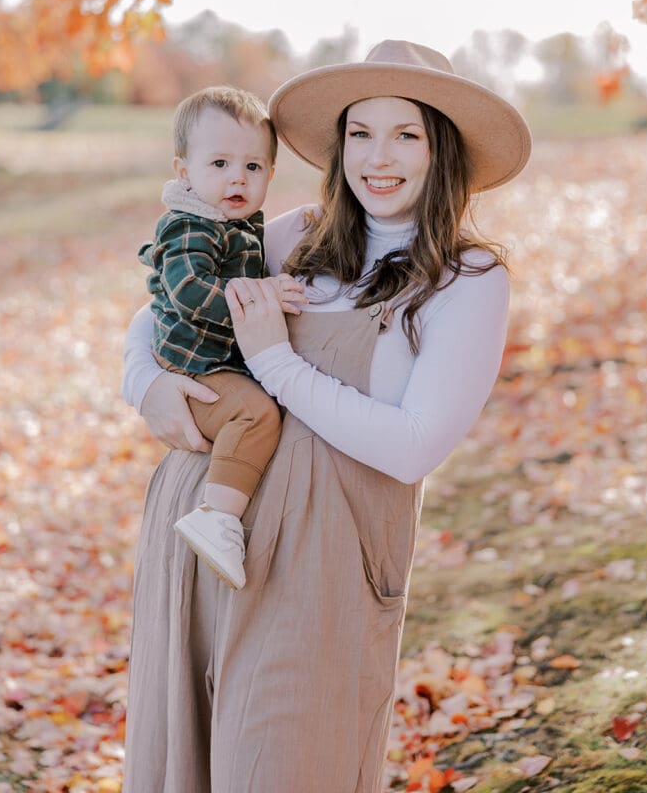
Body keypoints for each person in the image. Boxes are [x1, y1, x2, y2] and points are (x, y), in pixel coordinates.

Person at [121, 40, 532, 793]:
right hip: (204, 537)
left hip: (323, 570)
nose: (379, 157)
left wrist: (275, 362)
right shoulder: (291, 237)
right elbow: (156, 312)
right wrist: (144, 384)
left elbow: (411, 447)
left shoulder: (467, 280)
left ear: (439, 149)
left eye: (405, 133)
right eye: (360, 132)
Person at [137, 85, 306, 589]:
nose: (238, 177)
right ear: (184, 172)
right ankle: (218, 516)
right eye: (220, 164)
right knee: (253, 414)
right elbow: (188, 291)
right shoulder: (192, 227)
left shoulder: (241, 227)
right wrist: (263, 297)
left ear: (271, 176)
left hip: (216, 358)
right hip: (195, 364)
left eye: (253, 167)